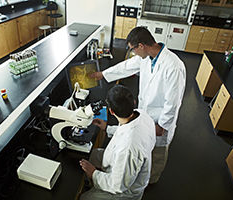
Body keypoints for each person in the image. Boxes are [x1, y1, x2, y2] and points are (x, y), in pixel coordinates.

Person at [90, 27, 186, 184]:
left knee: (156, 155)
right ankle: (138, 177)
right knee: (143, 149)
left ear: (141, 45)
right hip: (146, 114)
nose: (133, 53)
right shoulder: (147, 58)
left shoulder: (173, 66)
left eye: (133, 49)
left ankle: (150, 183)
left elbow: (173, 102)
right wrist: (104, 74)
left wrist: (162, 125)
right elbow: (127, 66)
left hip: (159, 120)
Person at [79, 84, 156, 200]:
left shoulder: (128, 149)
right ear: (133, 102)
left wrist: (94, 174)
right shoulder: (141, 114)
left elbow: (118, 185)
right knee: (94, 154)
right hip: (125, 162)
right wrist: (107, 128)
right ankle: (92, 183)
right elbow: (127, 131)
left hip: (125, 191)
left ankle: (93, 184)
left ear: (111, 111)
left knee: (85, 198)